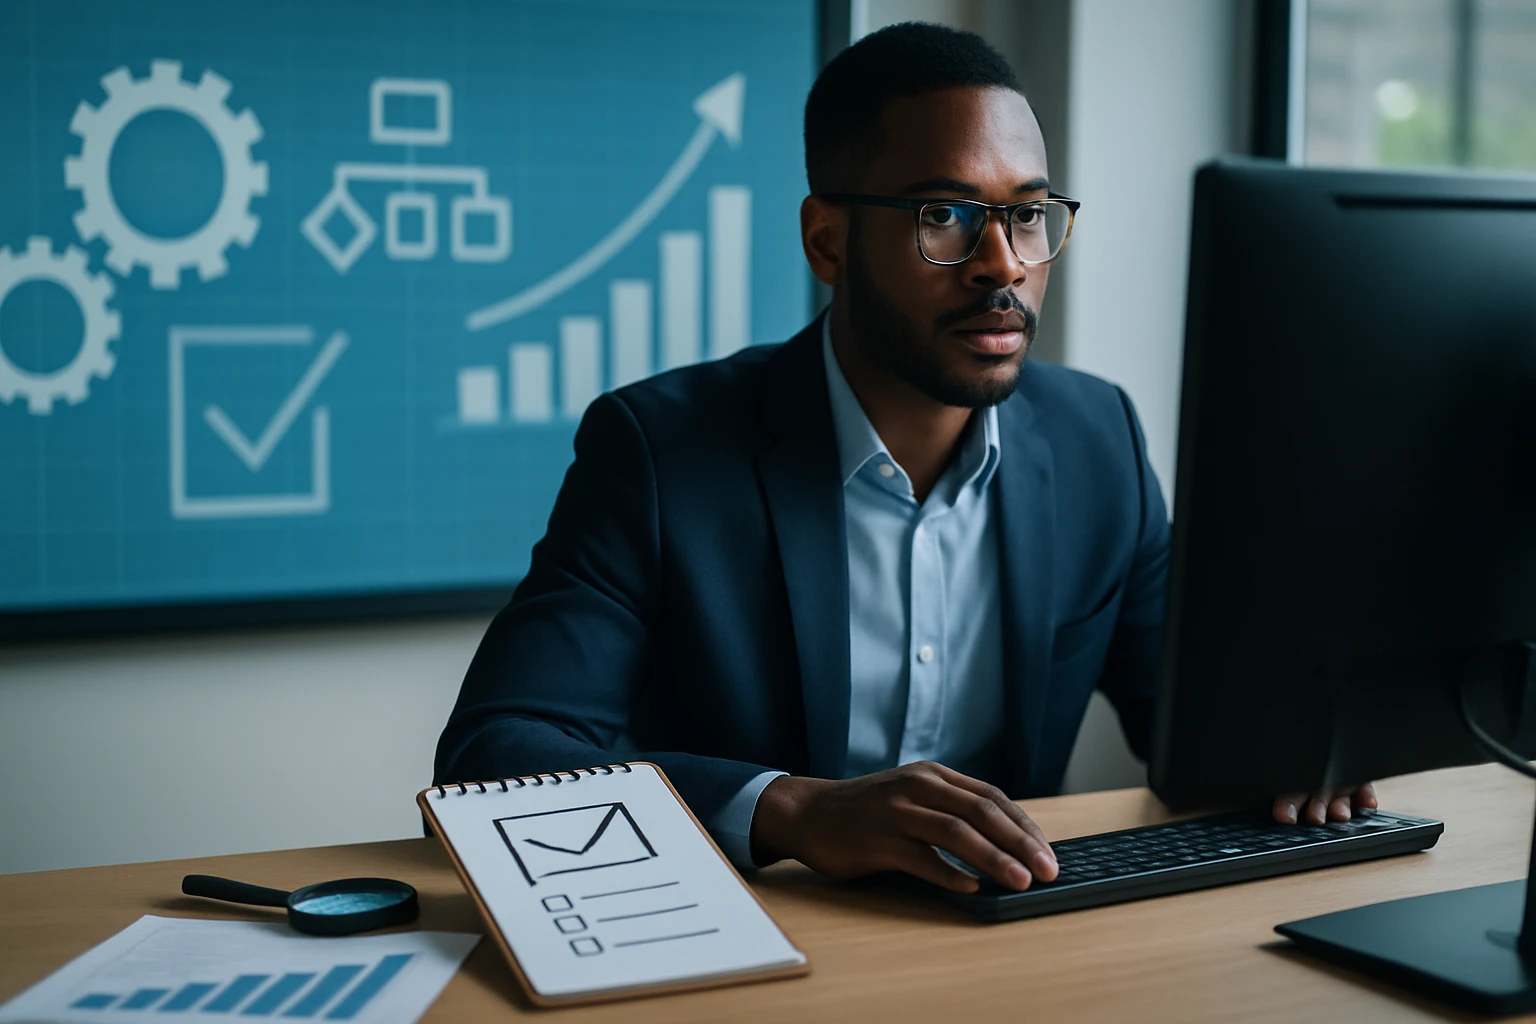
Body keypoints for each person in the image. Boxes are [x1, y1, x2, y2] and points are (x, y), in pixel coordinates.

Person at [435, 22, 1374, 895]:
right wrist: (791, 809)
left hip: (1000, 937)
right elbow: (495, 752)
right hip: (750, 935)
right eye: (946, 215)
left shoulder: (1099, 442)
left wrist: (1283, 751)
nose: (1002, 264)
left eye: (1029, 214)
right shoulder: (661, 451)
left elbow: (1189, 718)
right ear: (827, 240)